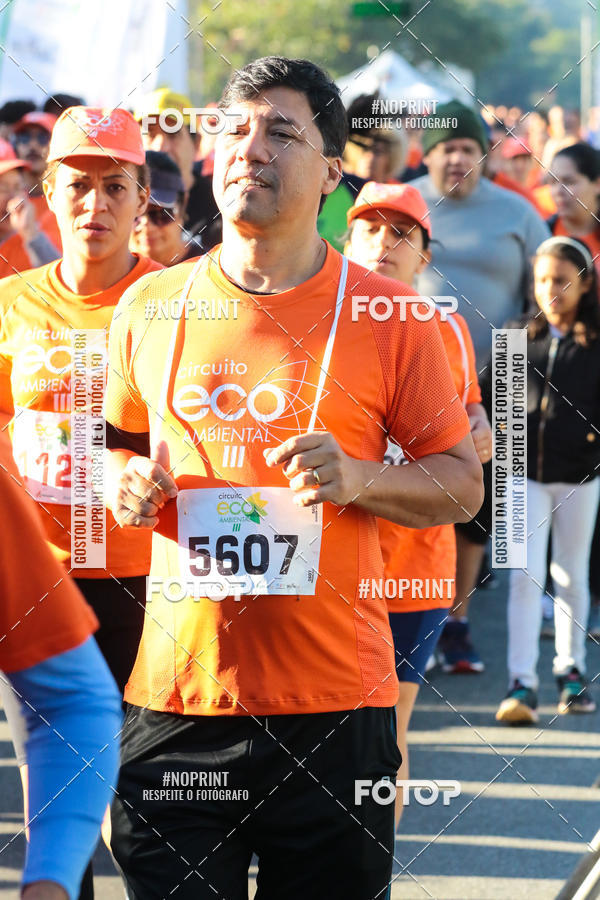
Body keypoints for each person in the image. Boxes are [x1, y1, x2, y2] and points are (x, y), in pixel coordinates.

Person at [105, 56, 483, 899]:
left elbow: (463, 486)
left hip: (334, 712)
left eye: (281, 132)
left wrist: (358, 478)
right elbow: (113, 446)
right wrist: (121, 481)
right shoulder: (150, 304)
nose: (251, 148)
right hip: (178, 701)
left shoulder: (395, 319)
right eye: (235, 130)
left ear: (332, 172)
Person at [0, 105, 161, 899]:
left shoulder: (172, 301)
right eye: (78, 186)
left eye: (115, 187)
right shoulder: (11, 300)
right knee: (56, 788)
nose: (95, 203)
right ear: (48, 196)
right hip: (39, 582)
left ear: (142, 199)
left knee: (145, 801)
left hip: (148, 580)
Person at [345, 180, 491, 819]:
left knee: (388, 734)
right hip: (331, 561)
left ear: (423, 255)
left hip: (415, 565)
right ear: (346, 240)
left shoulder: (448, 327)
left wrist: (481, 433)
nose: (384, 243)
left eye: (401, 233)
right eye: (370, 228)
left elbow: (473, 415)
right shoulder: (319, 322)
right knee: (314, 733)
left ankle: (375, 862)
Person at [412, 99, 550, 672]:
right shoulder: (406, 203)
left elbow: (549, 284)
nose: (457, 159)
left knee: (483, 506)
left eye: (468, 148)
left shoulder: (517, 212)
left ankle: (458, 621)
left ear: (484, 155)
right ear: (428, 155)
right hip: (416, 377)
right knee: (422, 495)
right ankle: (411, 617)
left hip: (505, 371)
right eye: (446, 149)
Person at [0, 433, 121, 900]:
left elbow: (75, 704)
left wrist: (48, 884)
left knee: (133, 816)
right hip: (47, 557)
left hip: (132, 575)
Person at [492, 237, 600, 723]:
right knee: (523, 577)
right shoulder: (515, 334)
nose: (550, 290)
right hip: (521, 479)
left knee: (571, 575)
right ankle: (521, 682)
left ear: (585, 284)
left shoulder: (595, 342)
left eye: (561, 280)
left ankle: (570, 669)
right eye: (541, 280)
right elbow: (493, 402)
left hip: (580, 478)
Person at [133, 88, 221, 247]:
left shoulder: (220, 209)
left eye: (173, 134)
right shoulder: (119, 200)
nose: (161, 147)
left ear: (196, 143)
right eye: (150, 134)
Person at [130, 150, 203, 265]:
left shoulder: (207, 269)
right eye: (134, 214)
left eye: (160, 213)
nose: (147, 225)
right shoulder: (106, 270)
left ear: (183, 205)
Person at [548, 142, 600, 274]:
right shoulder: (543, 233)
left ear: (597, 184)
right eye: (553, 182)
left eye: (569, 182)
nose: (558, 191)